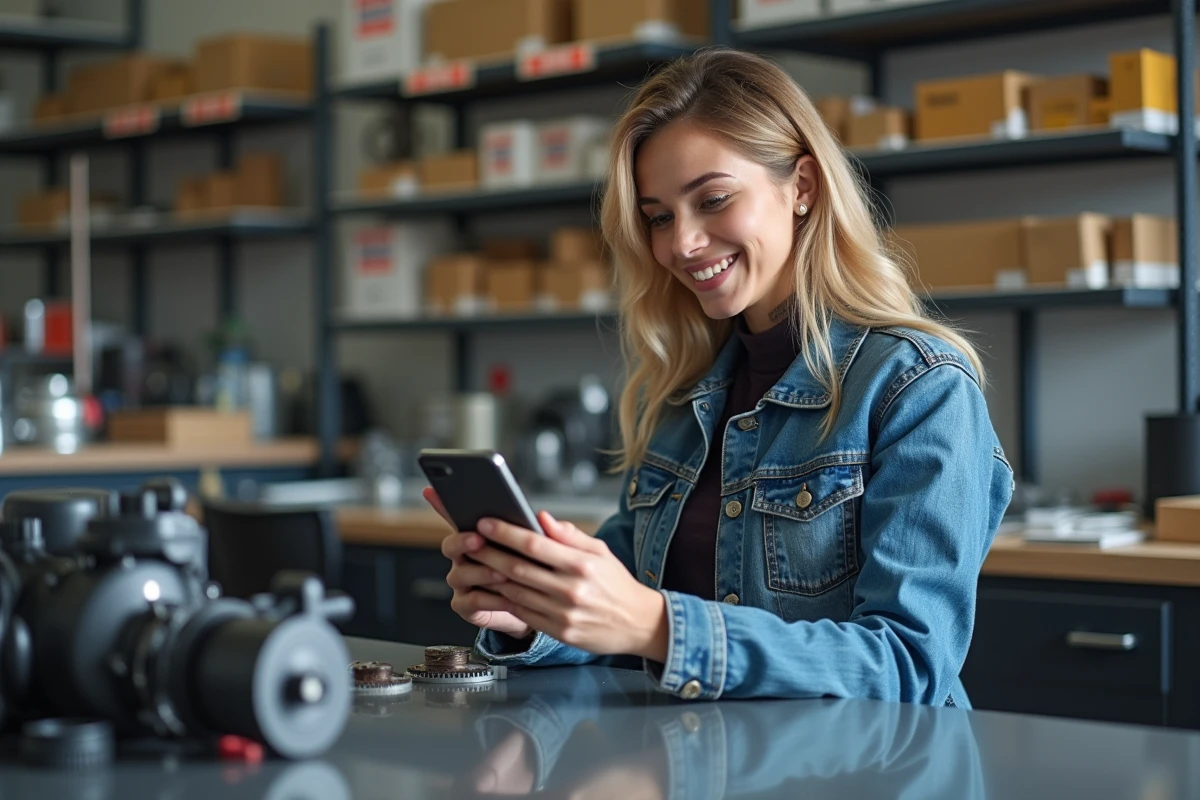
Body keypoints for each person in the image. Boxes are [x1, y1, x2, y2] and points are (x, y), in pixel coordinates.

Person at [425, 48, 1014, 706]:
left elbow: (913, 665)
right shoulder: (680, 392)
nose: (682, 243)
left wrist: (658, 626)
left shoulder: (920, 388)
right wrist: (534, 609)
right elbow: (622, 610)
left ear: (803, 188)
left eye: (713, 200)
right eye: (659, 217)